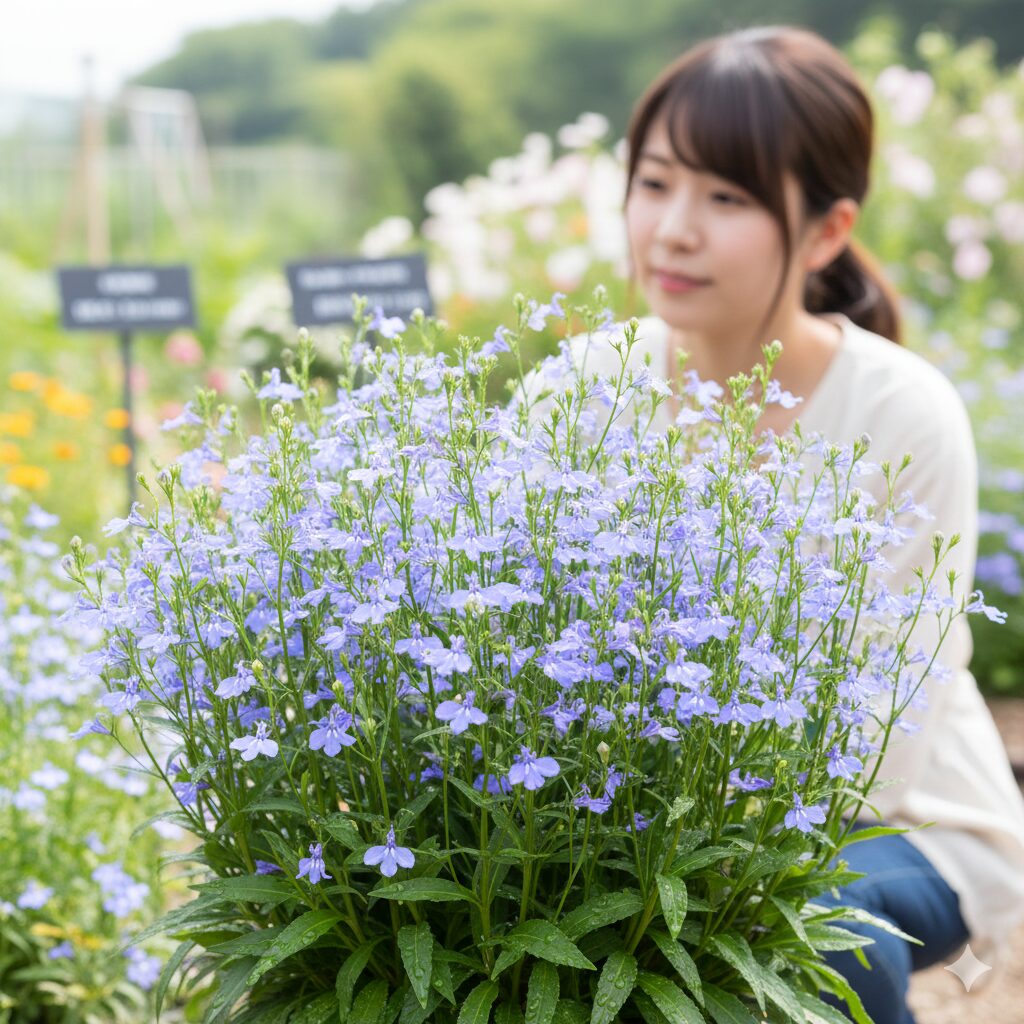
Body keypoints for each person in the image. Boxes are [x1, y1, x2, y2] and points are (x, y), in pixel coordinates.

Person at [526, 25, 1024, 1024]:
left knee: (822, 929)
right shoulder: (574, 392)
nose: (672, 229)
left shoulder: (899, 413)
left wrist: (688, 835)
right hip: (629, 816)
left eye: (726, 197)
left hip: (902, 819)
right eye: (655, 183)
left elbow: (887, 724)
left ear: (828, 231)